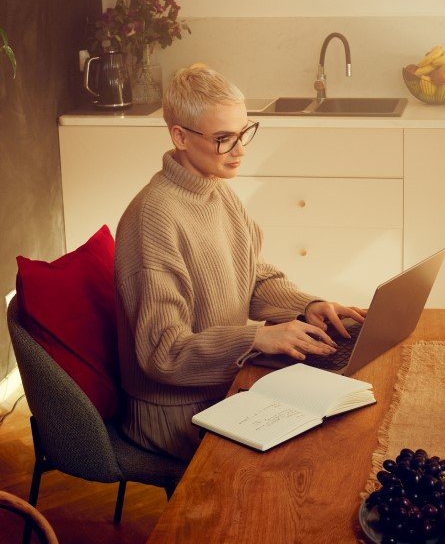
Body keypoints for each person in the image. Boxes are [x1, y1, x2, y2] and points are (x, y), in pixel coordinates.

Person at [114, 65, 365, 461]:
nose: (240, 150)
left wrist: (307, 307)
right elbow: (162, 354)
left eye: (243, 132)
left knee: (349, 402)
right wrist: (256, 339)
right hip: (176, 412)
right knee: (318, 450)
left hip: (228, 383)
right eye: (223, 139)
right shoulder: (154, 219)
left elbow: (256, 278)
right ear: (179, 136)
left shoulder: (219, 193)